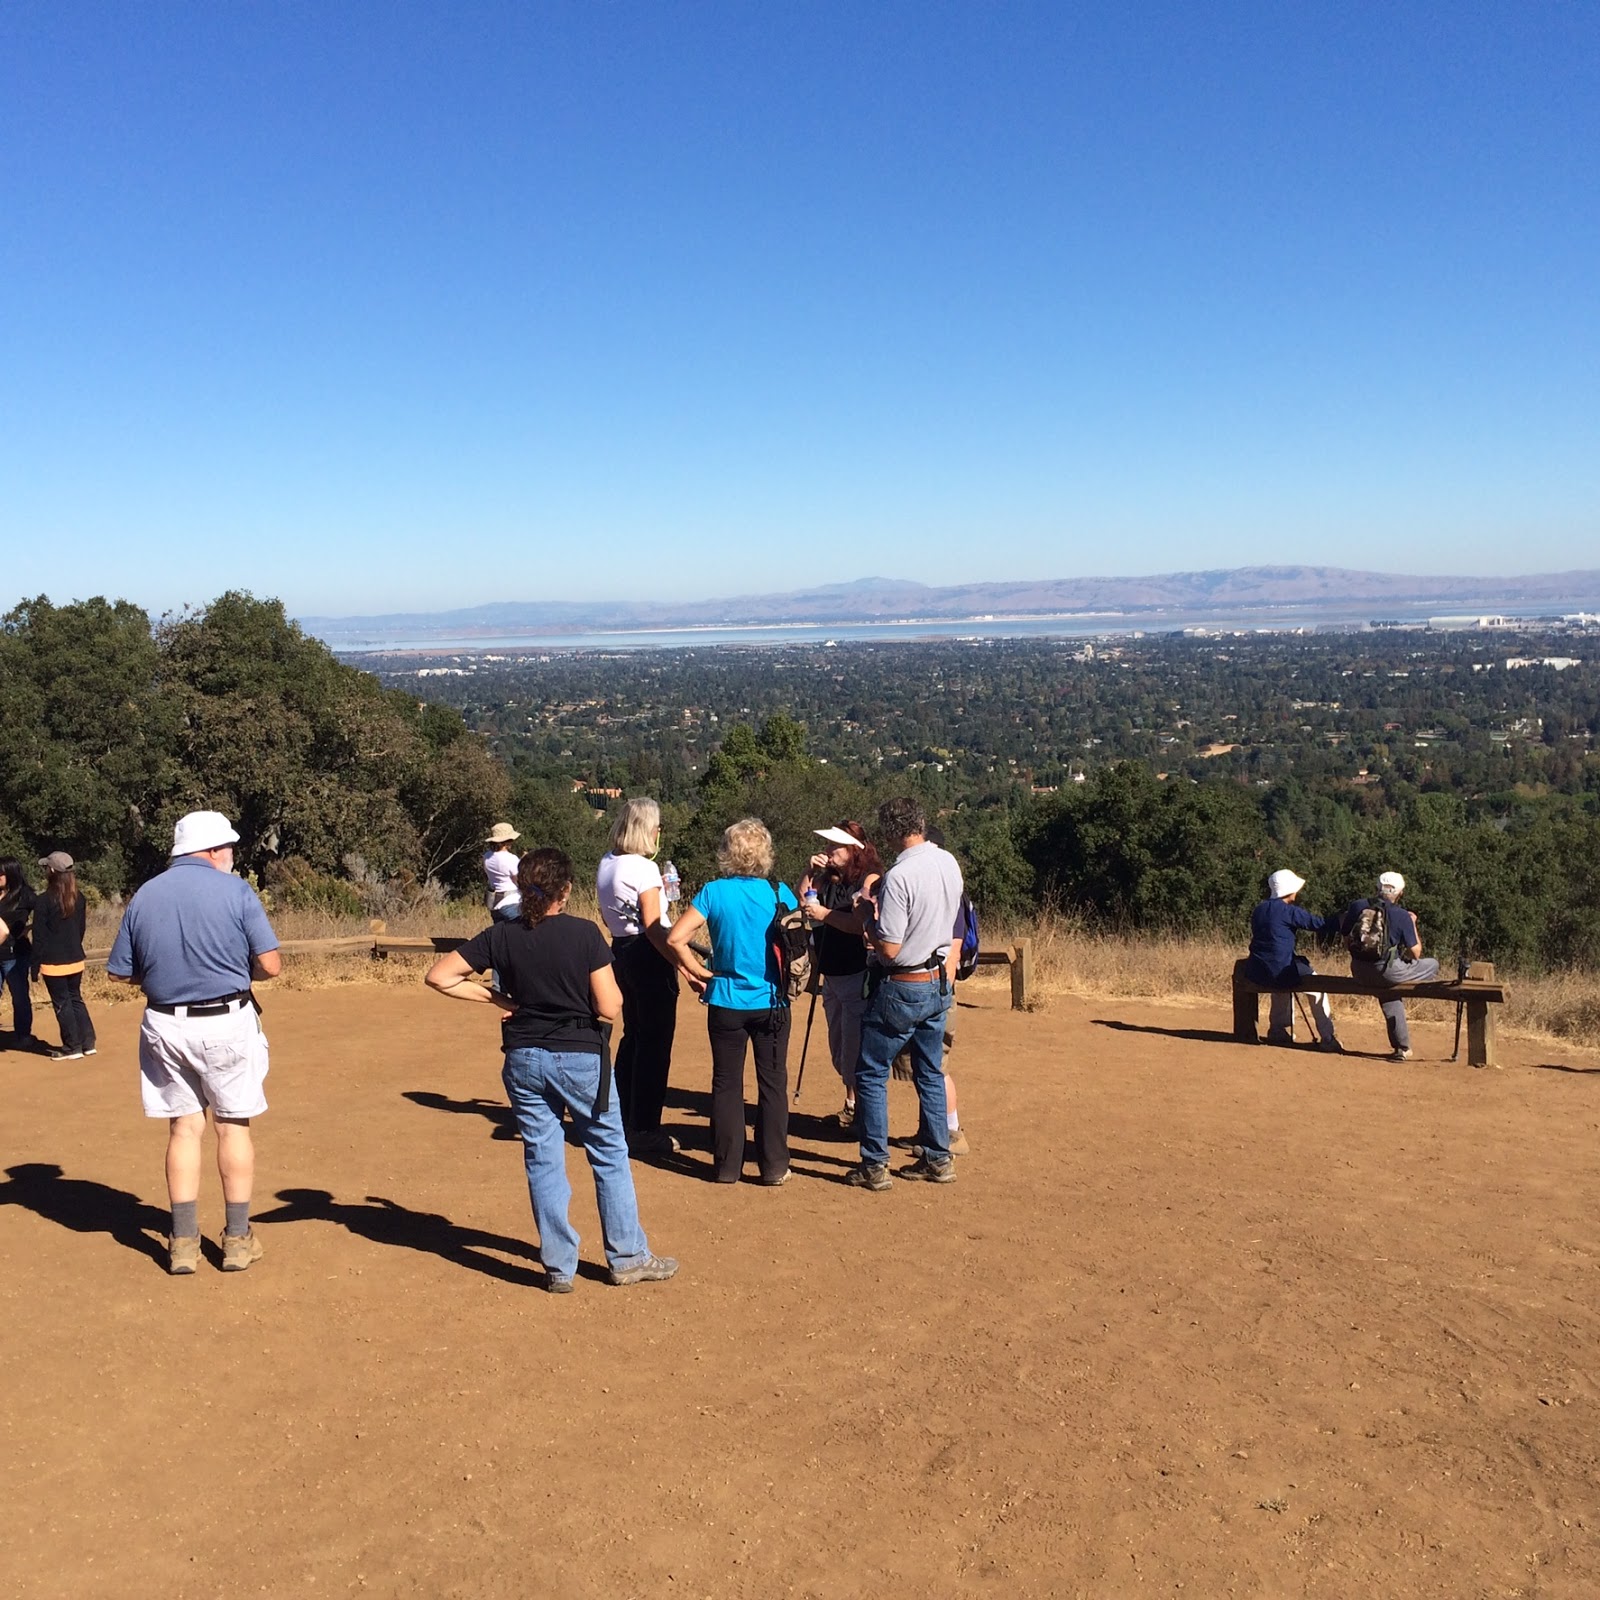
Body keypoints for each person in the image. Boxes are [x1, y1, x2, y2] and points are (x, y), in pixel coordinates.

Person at [426, 847, 677, 1292]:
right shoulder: (584, 935)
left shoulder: (500, 936)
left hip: (523, 1057)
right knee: (608, 1152)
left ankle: (560, 1266)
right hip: (580, 1054)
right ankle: (627, 1256)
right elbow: (610, 1006)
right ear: (566, 889)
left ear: (523, 889)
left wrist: (499, 1000)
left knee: (542, 1156)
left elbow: (441, 976)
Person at [106, 812, 281, 1274]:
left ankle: (183, 1241)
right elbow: (271, 964)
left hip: (165, 1024)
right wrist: (246, 971)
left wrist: (159, 976)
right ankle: (237, 1239)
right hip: (227, 1019)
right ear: (212, 850)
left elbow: (120, 970)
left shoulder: (145, 894)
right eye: (229, 848)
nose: (232, 856)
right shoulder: (236, 890)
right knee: (232, 1126)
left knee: (184, 1129)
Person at [666, 818, 794, 1186]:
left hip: (725, 999)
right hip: (772, 1001)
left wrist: (698, 971)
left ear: (728, 853)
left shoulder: (714, 892)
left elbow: (676, 937)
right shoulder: (778, 892)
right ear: (764, 854)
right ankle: (773, 1166)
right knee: (772, 1084)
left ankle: (726, 1167)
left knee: (726, 1083)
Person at [850, 797, 965, 1190]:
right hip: (938, 981)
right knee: (930, 1070)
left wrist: (865, 916)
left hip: (903, 984)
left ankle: (874, 1164)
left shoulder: (900, 877)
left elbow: (889, 949)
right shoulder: (948, 862)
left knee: (870, 1072)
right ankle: (937, 1157)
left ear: (891, 831)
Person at [596, 798, 682, 1156]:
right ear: (650, 830)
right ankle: (645, 1127)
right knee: (655, 1045)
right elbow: (652, 927)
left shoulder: (607, 861)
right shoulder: (643, 868)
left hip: (621, 951)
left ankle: (622, 1118)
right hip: (648, 955)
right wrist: (686, 964)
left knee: (634, 1037)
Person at [797, 821, 881, 1129]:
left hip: (856, 971)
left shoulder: (869, 880)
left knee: (853, 1047)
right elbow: (804, 897)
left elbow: (861, 925)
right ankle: (853, 1103)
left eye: (836, 847)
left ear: (854, 850)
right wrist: (810, 872)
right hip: (830, 973)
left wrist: (824, 915)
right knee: (839, 1047)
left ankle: (859, 1111)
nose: (829, 852)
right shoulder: (828, 878)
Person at [1341, 871, 1441, 1063]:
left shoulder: (1357, 906)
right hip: (1388, 972)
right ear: (1400, 893)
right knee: (1432, 964)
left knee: (1389, 993)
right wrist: (1412, 923)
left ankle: (1402, 1047)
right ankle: (1401, 1048)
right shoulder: (1402, 915)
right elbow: (1416, 953)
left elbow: (1346, 938)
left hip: (1359, 971)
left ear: (1376, 889)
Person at [1244, 869, 1341, 1052]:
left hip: (1257, 969)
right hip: (1280, 970)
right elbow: (1319, 924)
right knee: (1316, 988)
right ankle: (1327, 1037)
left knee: (1280, 981)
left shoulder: (1260, 909)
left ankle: (1278, 1030)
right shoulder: (1289, 911)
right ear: (1290, 890)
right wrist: (1343, 920)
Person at [32, 852, 96, 1061]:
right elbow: (81, 930)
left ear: (51, 871)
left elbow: (39, 937)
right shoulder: (80, 898)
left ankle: (72, 1047)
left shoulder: (43, 901)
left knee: (62, 1004)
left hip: (53, 962)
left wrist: (34, 966)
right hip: (75, 958)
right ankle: (88, 1043)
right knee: (75, 999)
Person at [0, 859, 37, 1048]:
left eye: (1, 873)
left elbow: (45, 914)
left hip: (16, 955)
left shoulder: (25, 895)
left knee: (20, 995)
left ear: (11, 874)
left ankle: (23, 1034)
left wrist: (29, 927)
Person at [482, 823, 523, 922]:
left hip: (495, 904)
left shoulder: (486, 857)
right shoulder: (511, 858)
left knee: (501, 936)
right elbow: (519, 880)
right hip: (512, 903)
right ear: (507, 841)